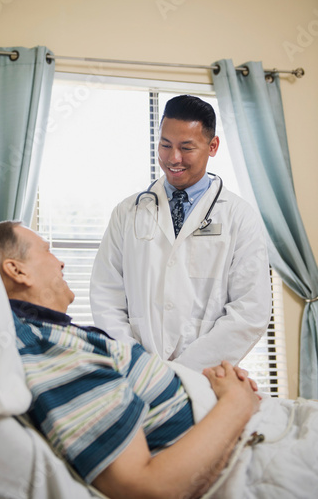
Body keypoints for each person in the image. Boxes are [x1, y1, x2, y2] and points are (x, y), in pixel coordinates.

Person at [0, 220, 262, 499]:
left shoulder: (53, 334)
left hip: (241, 429)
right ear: (17, 270)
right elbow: (143, 487)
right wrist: (236, 403)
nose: (60, 262)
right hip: (248, 452)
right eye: (47, 250)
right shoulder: (45, 347)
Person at [90, 95, 272, 372]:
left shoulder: (239, 216)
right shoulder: (127, 212)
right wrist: (141, 366)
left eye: (186, 148)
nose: (173, 158)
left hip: (205, 374)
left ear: (213, 146)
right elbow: (106, 295)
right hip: (137, 371)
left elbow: (251, 309)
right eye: (165, 145)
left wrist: (184, 372)